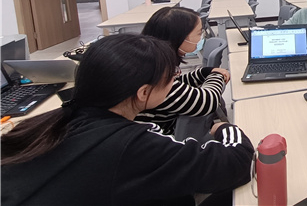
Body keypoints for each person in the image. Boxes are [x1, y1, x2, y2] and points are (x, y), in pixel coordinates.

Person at [1, 34, 254, 206]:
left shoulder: (47, 123)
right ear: (143, 93)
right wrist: (225, 128)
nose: (175, 80)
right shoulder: (132, 146)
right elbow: (238, 161)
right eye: (172, 77)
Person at [136, 7, 230, 136]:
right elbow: (208, 101)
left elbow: (177, 83)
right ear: (179, 37)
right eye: (199, 33)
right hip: (164, 138)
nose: (201, 37)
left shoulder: (153, 62)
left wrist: (204, 72)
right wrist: (218, 75)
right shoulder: (155, 77)